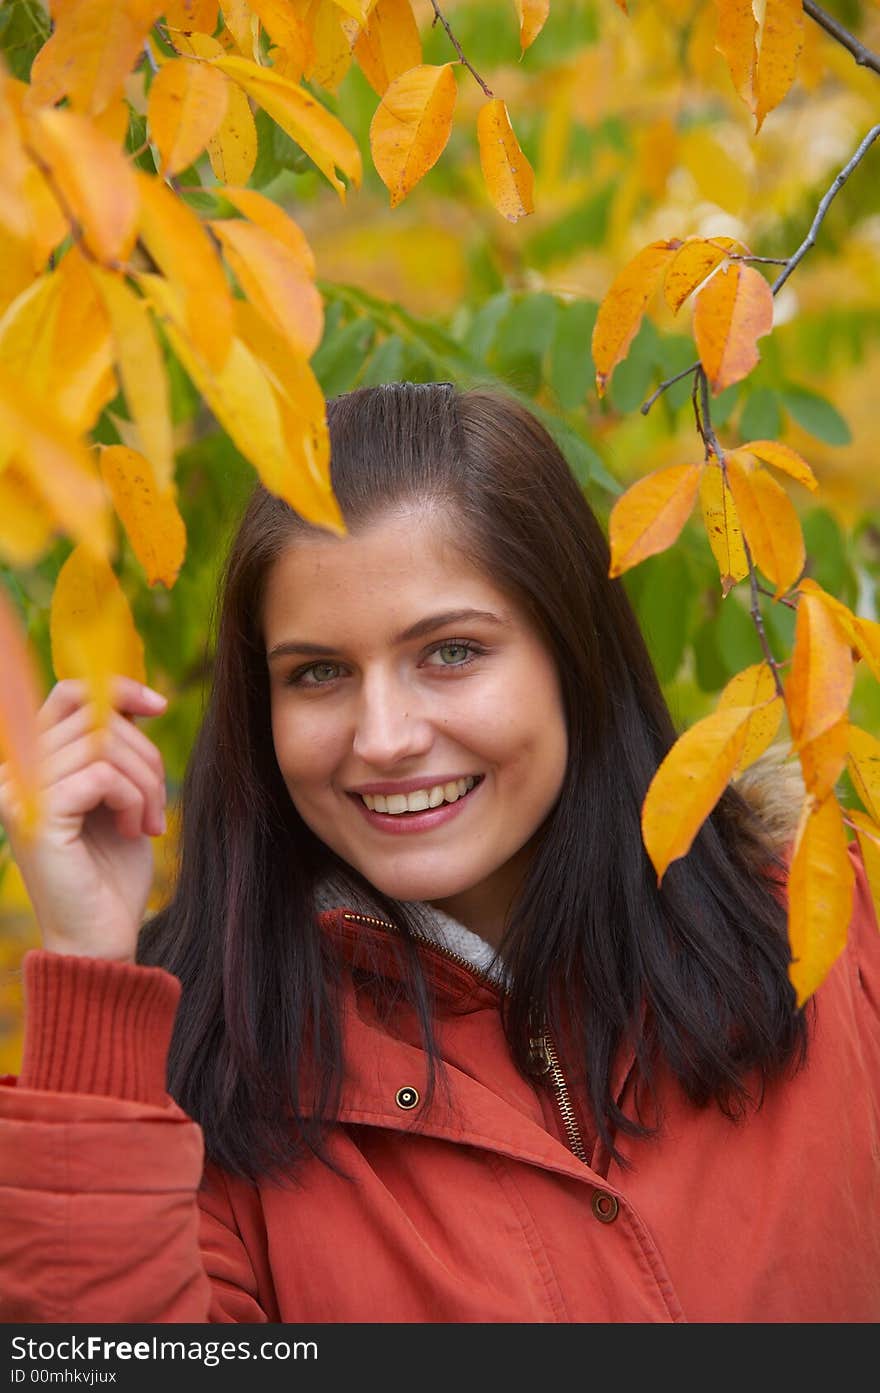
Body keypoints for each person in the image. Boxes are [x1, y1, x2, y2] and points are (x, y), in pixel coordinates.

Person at [0, 382, 878, 1325]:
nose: (383, 737)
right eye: (319, 673)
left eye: (451, 651)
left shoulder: (826, 929)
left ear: (574, 657)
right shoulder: (190, 1074)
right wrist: (90, 965)